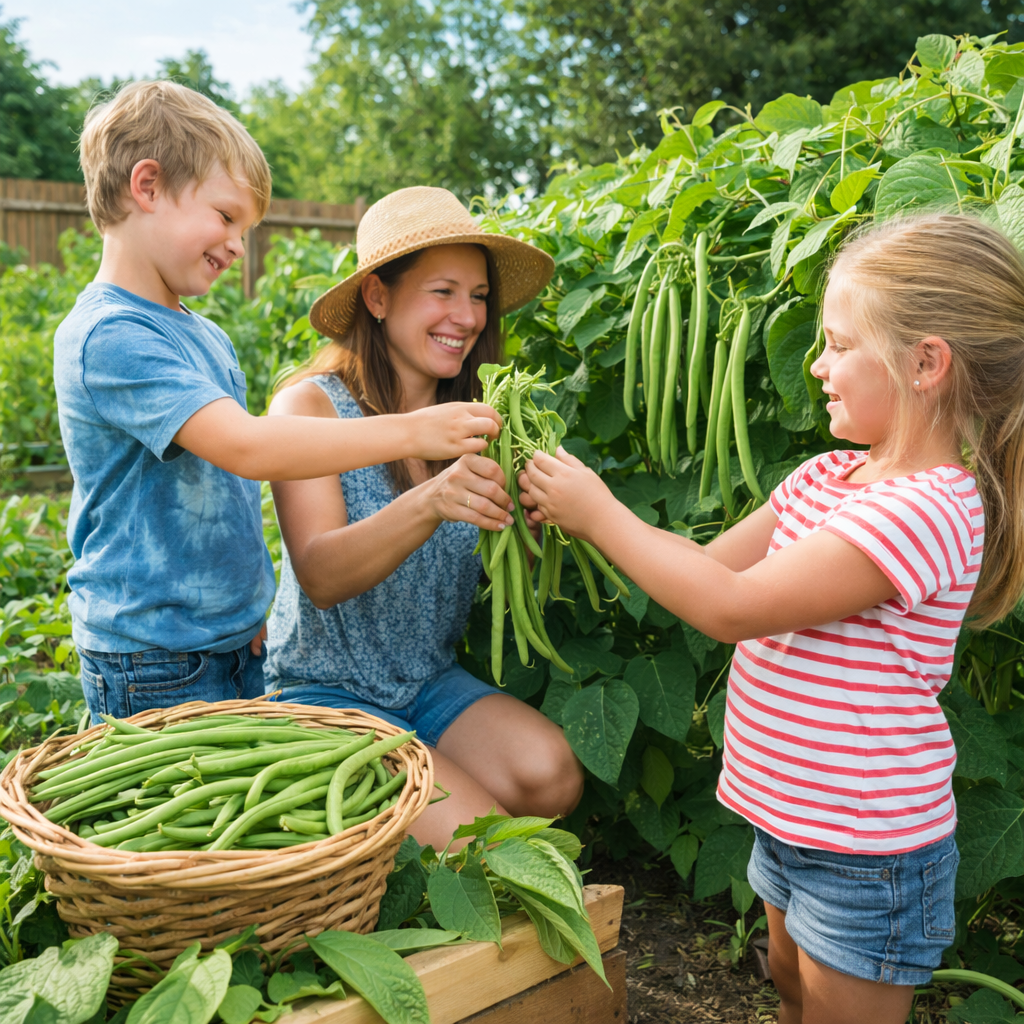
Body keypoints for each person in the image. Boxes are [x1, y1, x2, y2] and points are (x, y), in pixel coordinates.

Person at [519, 215, 1024, 1024]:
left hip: (868, 852)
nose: (816, 364)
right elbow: (705, 570)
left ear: (926, 362)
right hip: (788, 822)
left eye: (837, 344)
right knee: (790, 993)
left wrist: (603, 512)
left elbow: (730, 609)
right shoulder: (827, 476)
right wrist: (578, 524)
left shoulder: (927, 507)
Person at [54, 83, 500, 725]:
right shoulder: (110, 336)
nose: (238, 244)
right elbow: (248, 448)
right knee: (169, 817)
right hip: (149, 655)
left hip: (230, 643)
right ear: (146, 187)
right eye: (227, 217)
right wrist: (414, 433)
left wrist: (247, 605)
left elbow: (218, 503)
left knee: (233, 815)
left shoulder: (201, 333)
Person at [264, 186, 584, 849]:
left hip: (429, 683)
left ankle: (399, 832)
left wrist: (533, 526)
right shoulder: (311, 410)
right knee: (485, 843)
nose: (466, 316)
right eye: (443, 291)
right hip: (324, 694)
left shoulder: (481, 421)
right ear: (378, 299)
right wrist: (431, 501)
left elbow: (505, 566)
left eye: (477, 296)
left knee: (550, 776)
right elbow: (320, 573)